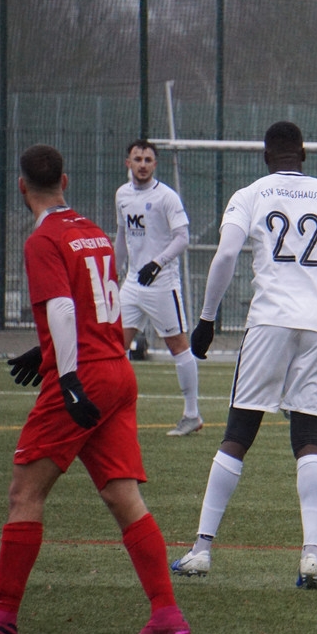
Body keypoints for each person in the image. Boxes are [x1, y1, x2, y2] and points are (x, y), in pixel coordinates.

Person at [0, 144, 190, 634]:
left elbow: (62, 308)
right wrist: (45, 347)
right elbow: (99, 301)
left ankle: (3, 616)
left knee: (24, 494)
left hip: (84, 377)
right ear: (66, 182)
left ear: (22, 186)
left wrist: (67, 378)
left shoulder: (44, 239)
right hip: (117, 372)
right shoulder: (94, 230)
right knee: (123, 496)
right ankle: (166, 613)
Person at [170, 122, 317, 588]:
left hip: (269, 323)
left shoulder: (250, 193)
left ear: (265, 156)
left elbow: (225, 256)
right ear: (304, 152)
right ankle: (311, 556)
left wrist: (207, 320)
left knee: (238, 432)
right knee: (308, 435)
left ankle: (202, 549)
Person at [116, 139, 203, 436]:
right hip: (131, 284)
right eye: (137, 159)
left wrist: (158, 262)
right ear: (128, 163)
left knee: (177, 346)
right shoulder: (122, 195)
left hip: (161, 284)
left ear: (155, 164)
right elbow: (122, 235)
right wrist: (113, 272)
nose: (142, 164)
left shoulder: (167, 197)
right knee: (115, 345)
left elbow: (182, 237)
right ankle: (115, 411)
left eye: (148, 160)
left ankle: (192, 414)